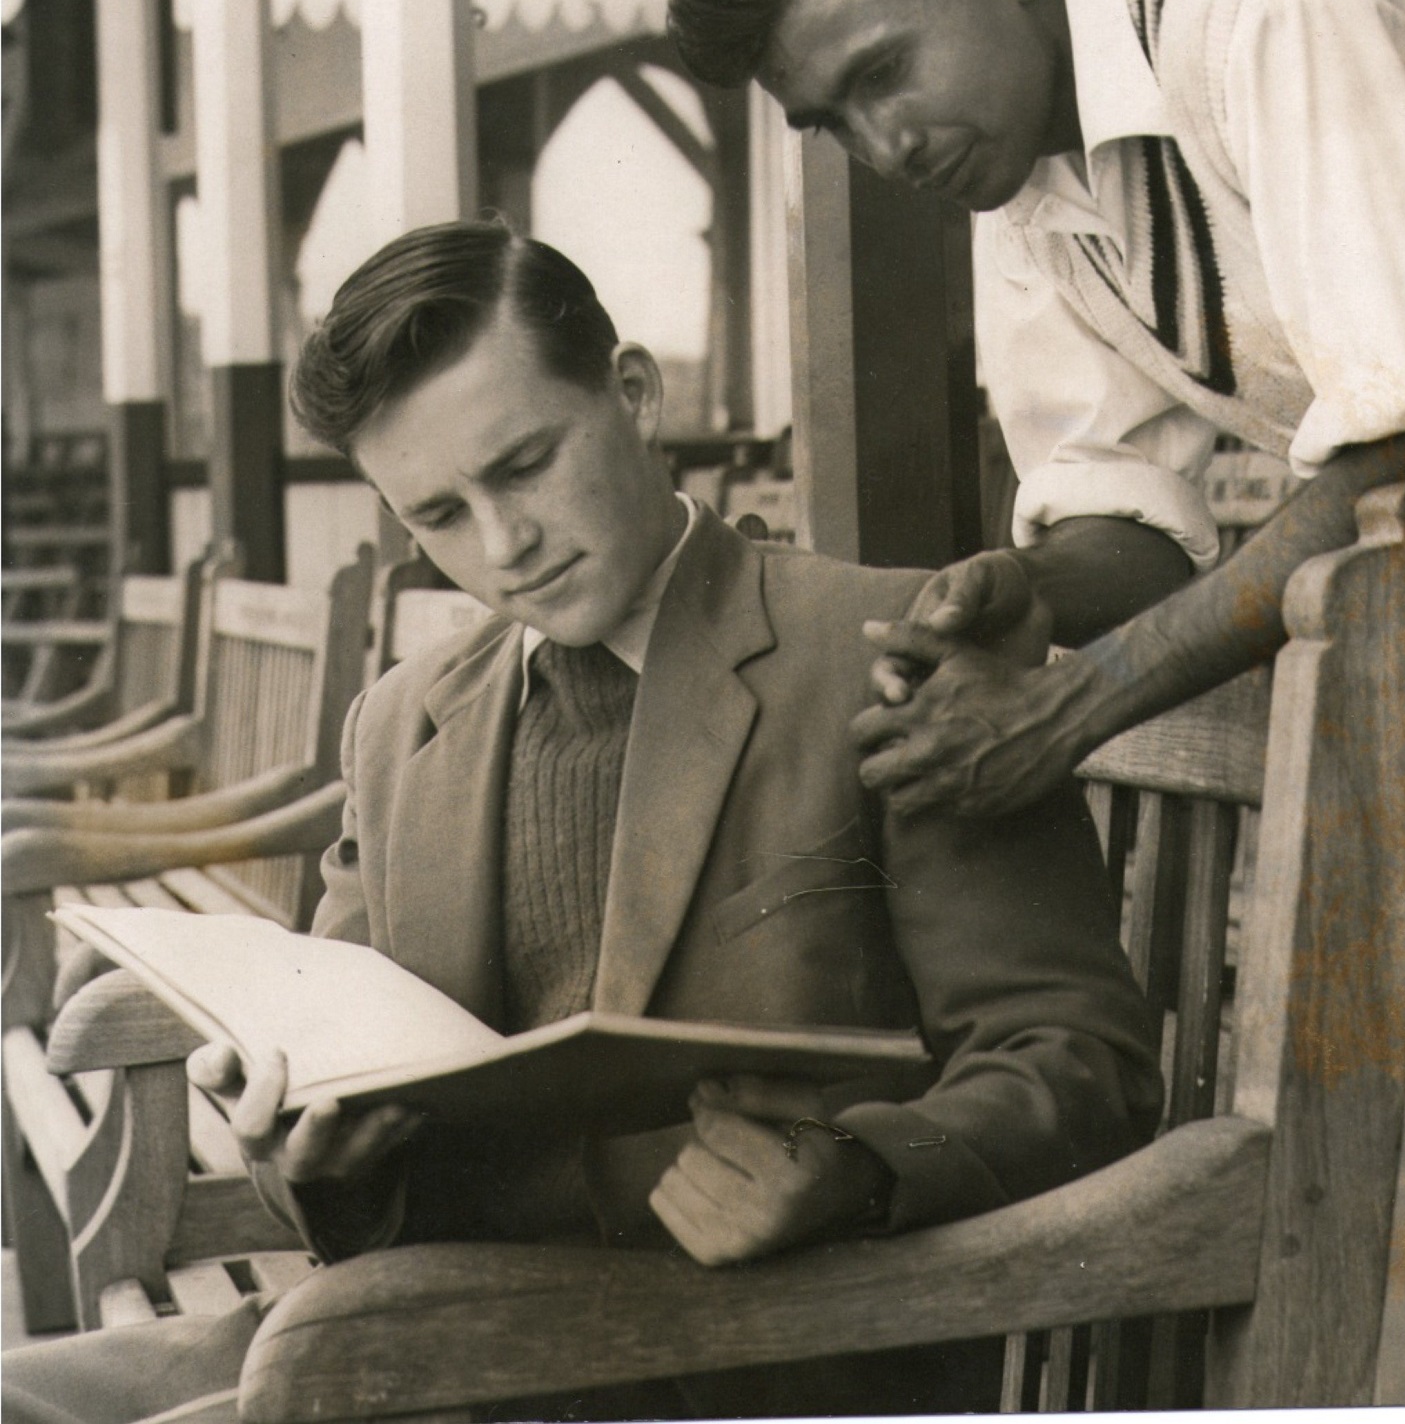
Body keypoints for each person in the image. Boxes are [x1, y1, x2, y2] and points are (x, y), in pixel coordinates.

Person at [667, 0, 1405, 1403]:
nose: (884, 144)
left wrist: (1071, 704)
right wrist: (1019, 590)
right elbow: (1127, 528)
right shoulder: (1023, 176)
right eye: (829, 121)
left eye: (881, 74)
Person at [5, 221, 1160, 1423]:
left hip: (750, 1351)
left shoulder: (880, 652)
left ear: (632, 391)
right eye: (440, 516)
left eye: (524, 465)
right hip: (426, 1337)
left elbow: (1083, 1063)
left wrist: (860, 1169)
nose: (504, 547)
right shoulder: (403, 724)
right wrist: (303, 1150)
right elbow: (342, 1091)